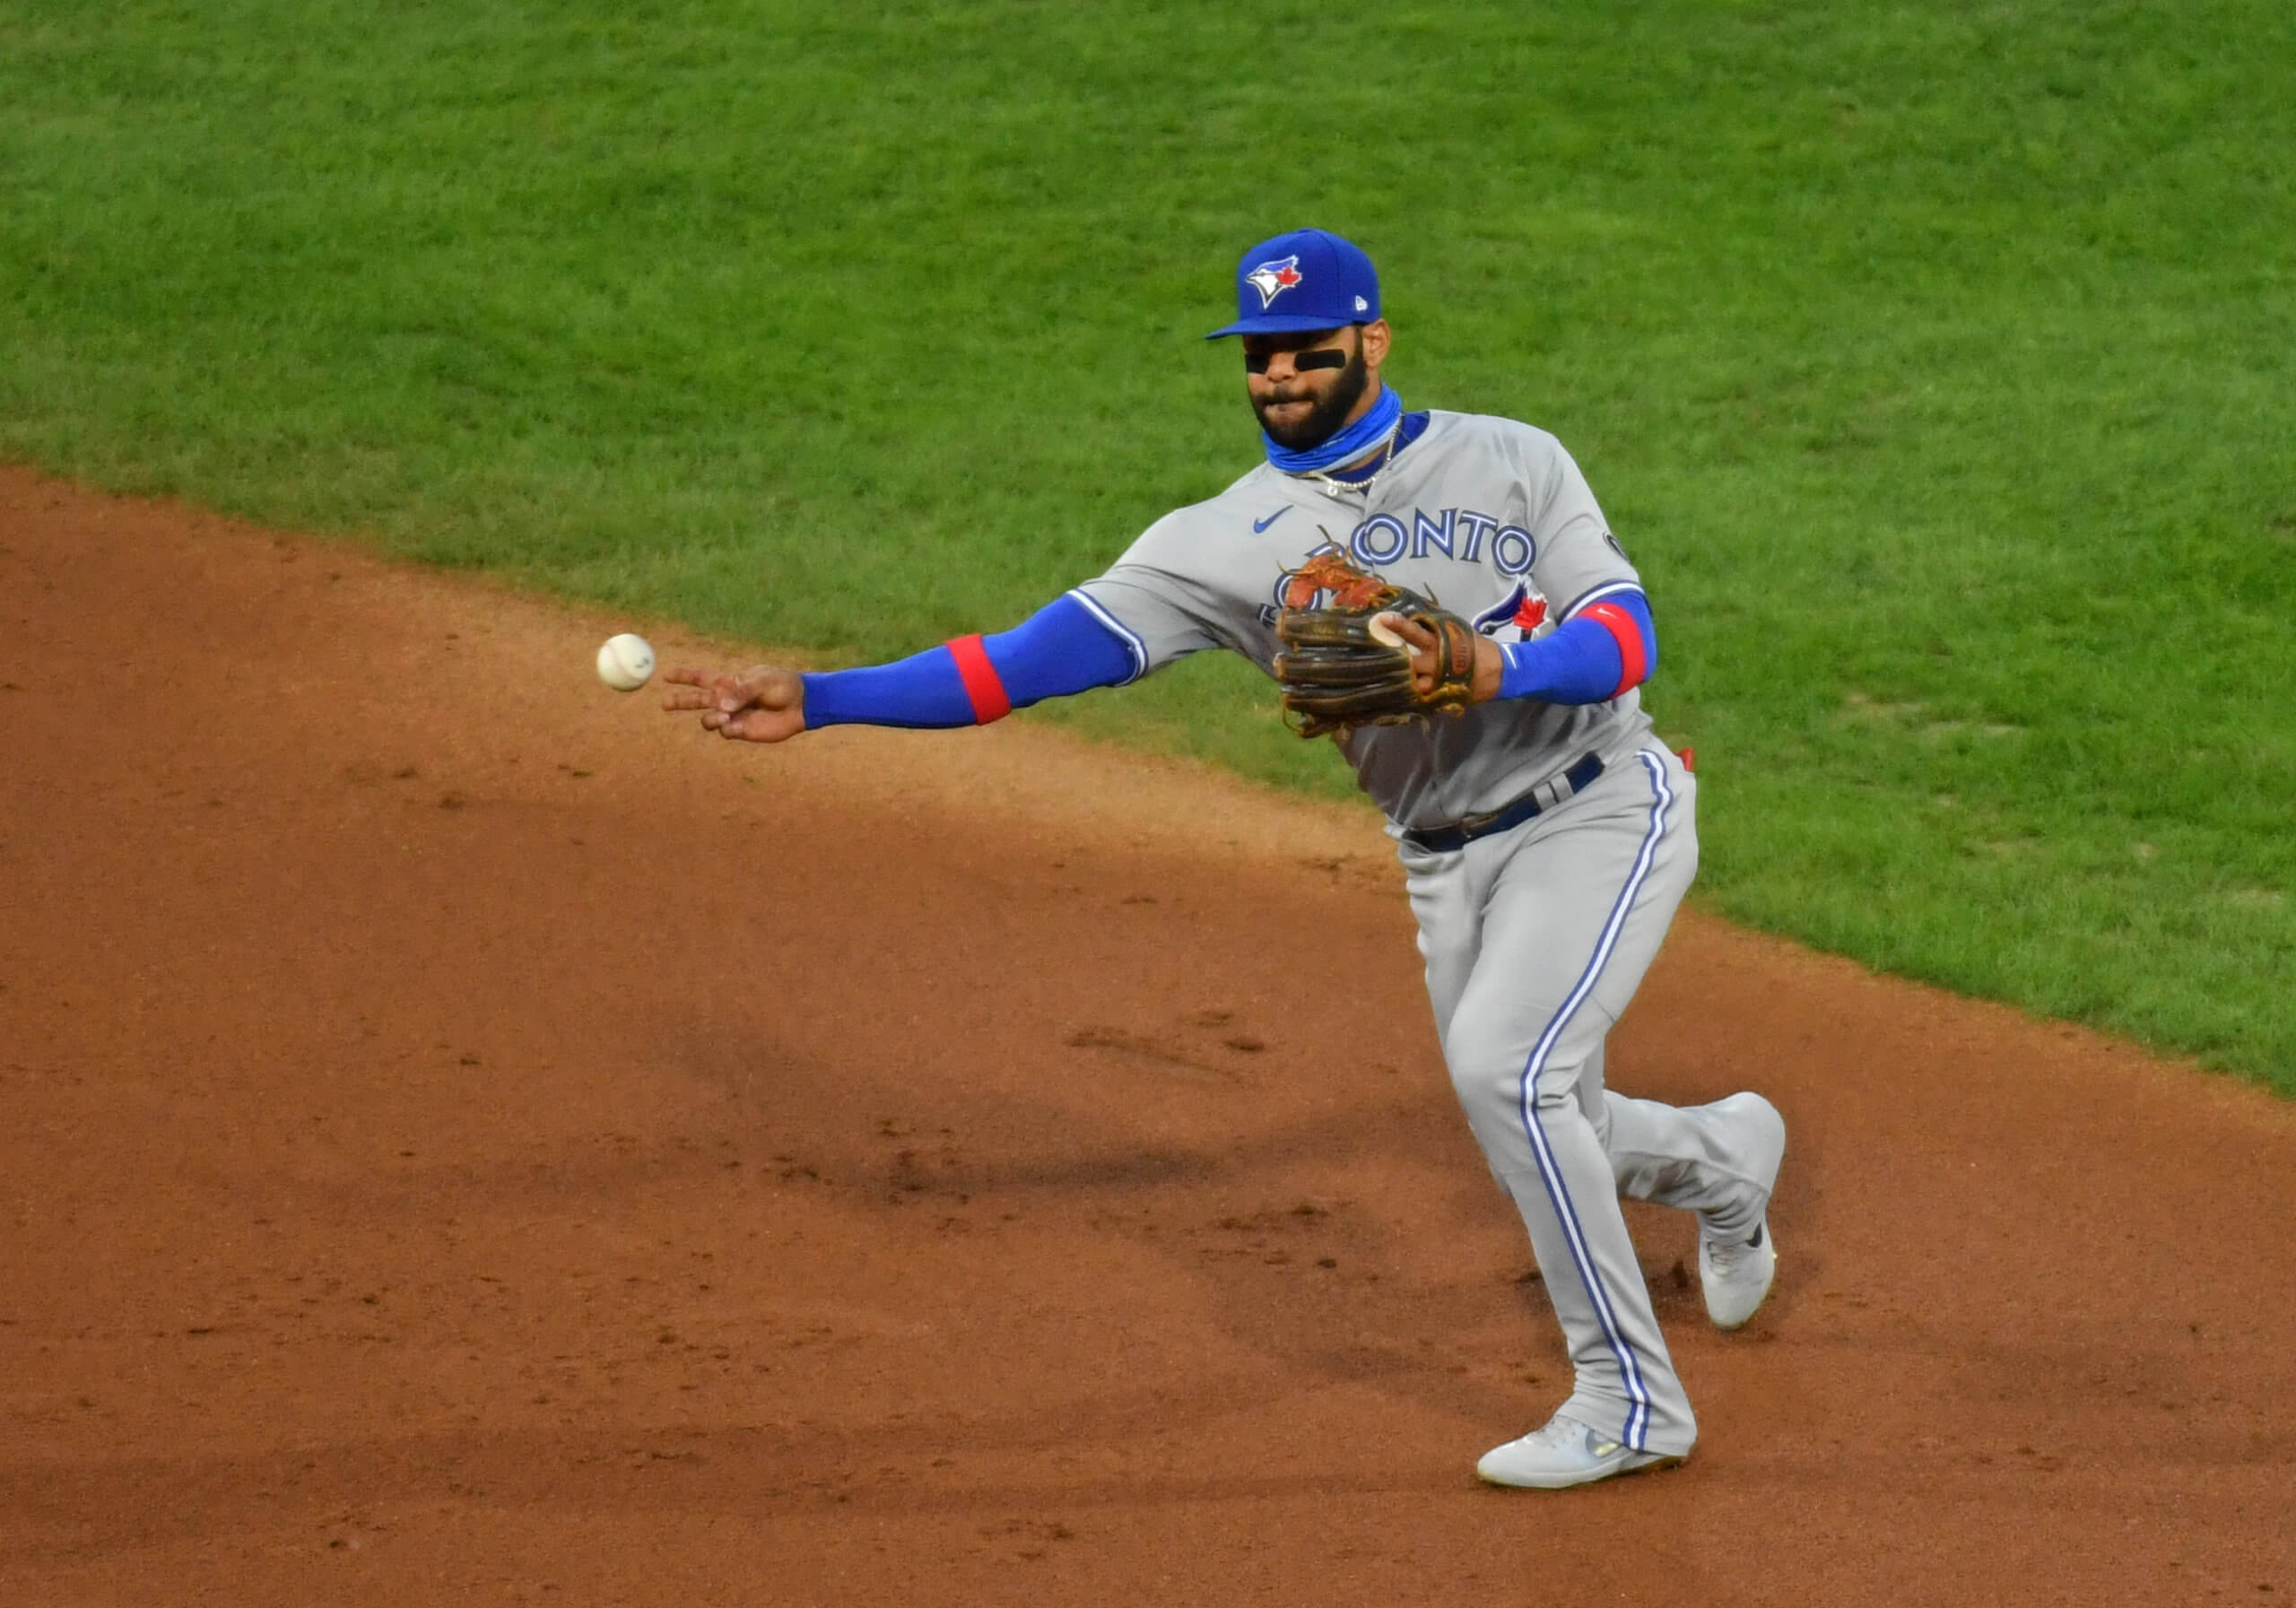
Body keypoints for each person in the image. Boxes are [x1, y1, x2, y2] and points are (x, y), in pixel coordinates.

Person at [662, 227, 1787, 1491]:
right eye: (1259, 354)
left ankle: (1628, 1402)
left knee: (1505, 1072)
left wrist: (1492, 662)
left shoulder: (1516, 460)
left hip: (1601, 808)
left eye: (1307, 347)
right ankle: (1729, 1163)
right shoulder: (1222, 542)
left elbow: (1625, 638)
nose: (1280, 374)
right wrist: (820, 696)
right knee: (1549, 1108)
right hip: (1443, 861)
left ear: (1373, 341)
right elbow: (1018, 665)